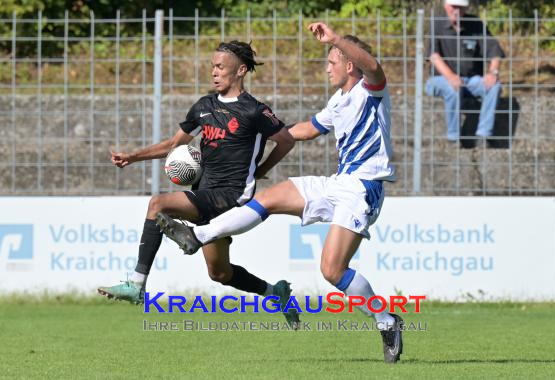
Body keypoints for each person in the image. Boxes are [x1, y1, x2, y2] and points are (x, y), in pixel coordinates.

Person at [157, 23, 404, 363]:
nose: (327, 67)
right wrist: (264, 131)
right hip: (339, 182)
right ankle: (198, 235)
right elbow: (307, 130)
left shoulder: (370, 89)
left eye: (332, 61)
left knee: (332, 271)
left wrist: (335, 39)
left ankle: (386, 320)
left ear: (349, 64)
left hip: (363, 188)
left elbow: (373, 66)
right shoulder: (339, 99)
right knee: (271, 197)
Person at [97, 40, 299, 327]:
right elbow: (173, 144)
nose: (214, 72)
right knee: (220, 274)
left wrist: (261, 168)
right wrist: (133, 157)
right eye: (212, 66)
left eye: (220, 67)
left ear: (240, 70)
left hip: (232, 198)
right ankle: (275, 293)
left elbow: (286, 140)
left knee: (158, 204)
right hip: (205, 193)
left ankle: (136, 284)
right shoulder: (204, 106)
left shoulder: (254, 111)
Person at [425, 0, 505, 141]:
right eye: (454, 6)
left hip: (470, 80)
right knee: (453, 88)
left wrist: (493, 73)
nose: (457, 10)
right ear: (446, 6)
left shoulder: (476, 24)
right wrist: (451, 77)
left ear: (466, 7)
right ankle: (453, 138)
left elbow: (494, 51)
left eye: (461, 7)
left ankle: (484, 135)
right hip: (439, 79)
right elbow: (433, 55)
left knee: (495, 86)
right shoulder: (436, 23)